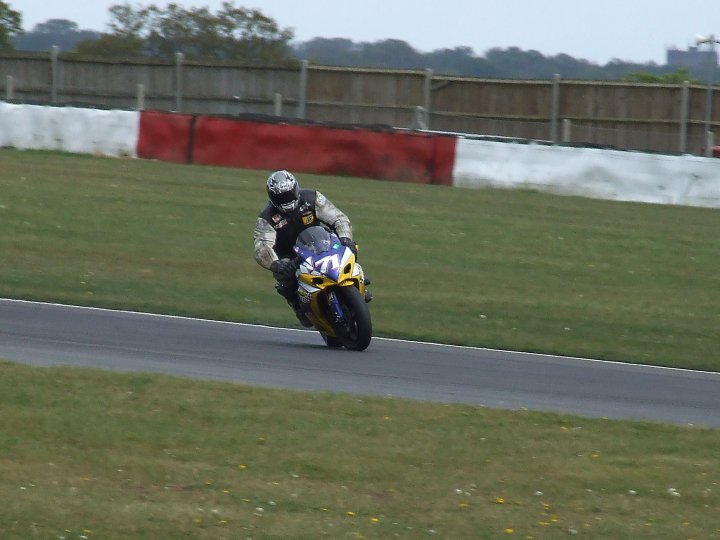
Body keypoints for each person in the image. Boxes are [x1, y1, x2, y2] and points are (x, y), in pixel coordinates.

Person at [253, 170, 357, 327]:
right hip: (290, 255)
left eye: (288, 194)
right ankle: (297, 305)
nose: (286, 200)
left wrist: (346, 238)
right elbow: (261, 246)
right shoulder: (267, 217)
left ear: (295, 188)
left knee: (350, 248)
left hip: (321, 243)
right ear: (272, 197)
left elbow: (338, 218)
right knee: (285, 278)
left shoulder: (311, 198)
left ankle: (356, 281)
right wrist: (276, 263)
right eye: (281, 197)